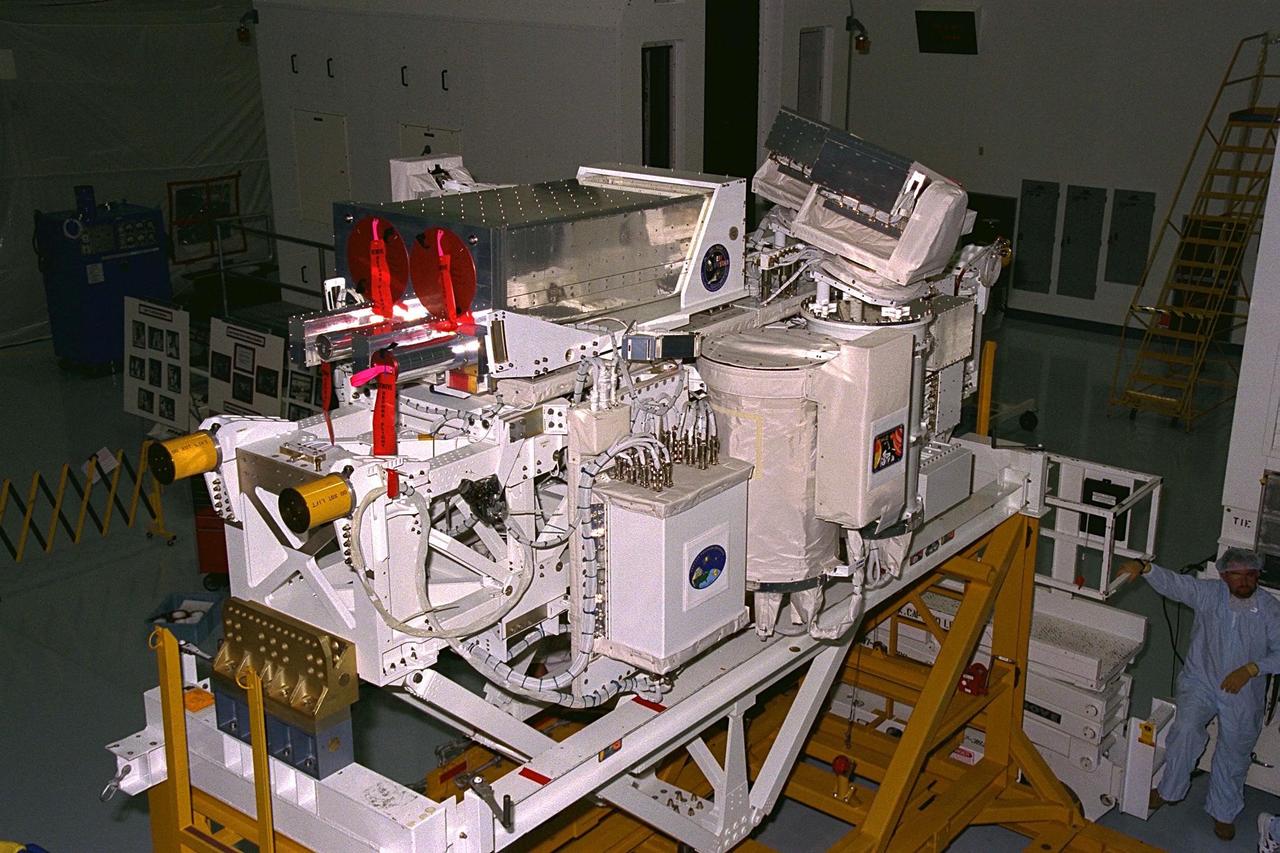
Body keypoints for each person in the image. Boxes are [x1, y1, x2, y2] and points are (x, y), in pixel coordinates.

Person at [1119, 549, 1280, 841]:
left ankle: (1224, 812)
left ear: (1257, 576)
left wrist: (1252, 669)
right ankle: (1170, 790)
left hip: (1244, 690)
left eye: (1250, 575)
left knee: (1234, 752)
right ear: (1223, 576)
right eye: (1236, 575)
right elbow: (1177, 585)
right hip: (1201, 680)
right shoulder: (1209, 594)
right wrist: (1145, 569)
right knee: (1185, 730)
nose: (1243, 581)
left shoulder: (1269, 609)